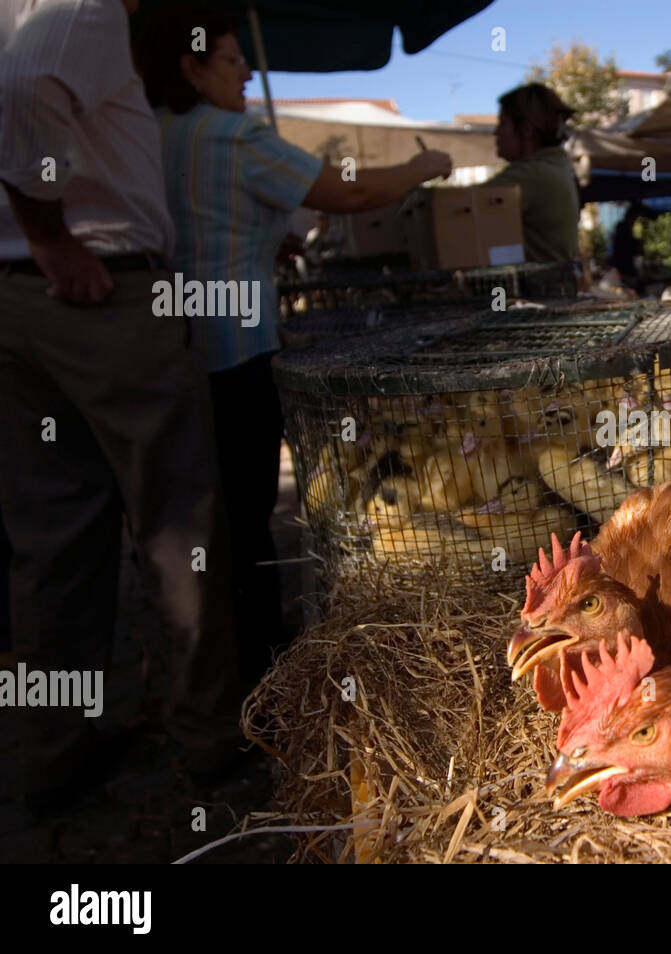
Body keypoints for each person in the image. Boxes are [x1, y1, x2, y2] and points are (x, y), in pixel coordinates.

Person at [135, 7, 453, 685]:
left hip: (172, 343)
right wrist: (426, 163)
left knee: (195, 515)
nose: (249, 70)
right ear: (191, 67)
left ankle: (205, 662)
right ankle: (254, 670)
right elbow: (355, 190)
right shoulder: (233, 135)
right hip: (237, 348)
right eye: (231, 59)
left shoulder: (156, 135)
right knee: (246, 518)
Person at [0, 0, 243, 808]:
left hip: (29, 302)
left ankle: (54, 749)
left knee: (53, 540)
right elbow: (27, 84)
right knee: (181, 525)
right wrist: (52, 238)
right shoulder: (77, 6)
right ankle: (208, 740)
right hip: (98, 291)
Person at [487, 83, 580, 264]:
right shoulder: (554, 167)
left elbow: (455, 213)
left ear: (526, 130)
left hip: (536, 290)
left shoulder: (530, 175)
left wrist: (419, 173)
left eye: (502, 123)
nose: (496, 132)